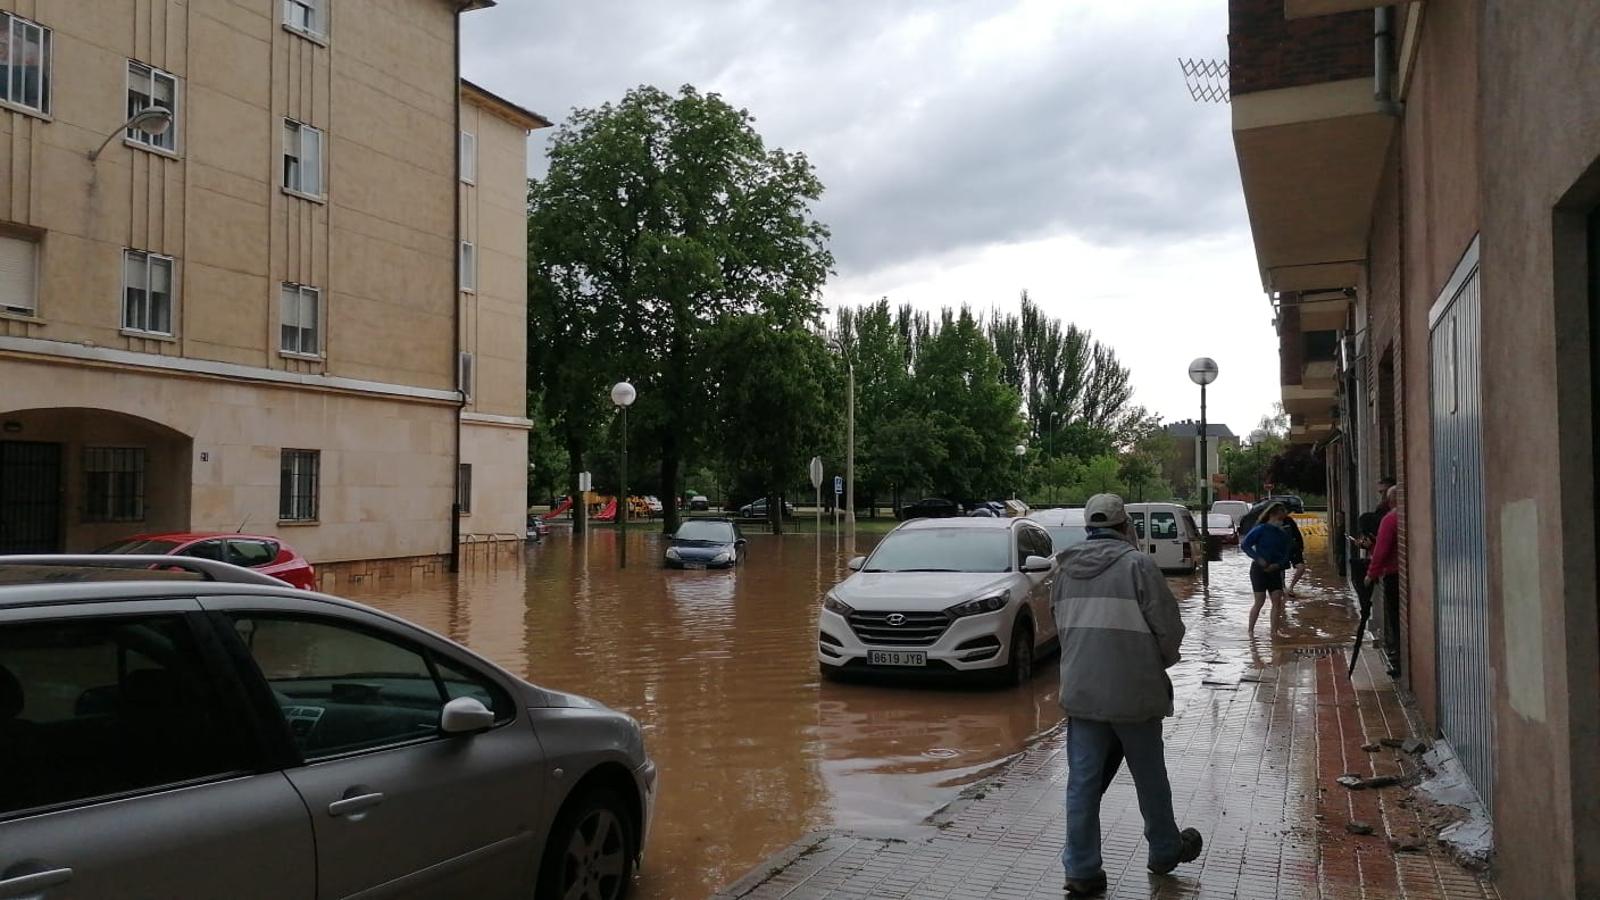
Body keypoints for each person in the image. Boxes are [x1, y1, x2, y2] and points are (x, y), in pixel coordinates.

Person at [1050, 493, 1202, 896]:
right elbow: (1169, 629)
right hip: (1134, 692)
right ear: (1125, 527)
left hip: (1082, 692)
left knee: (1082, 782)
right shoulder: (1139, 564)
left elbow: (1059, 627)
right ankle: (1165, 851)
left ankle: (1081, 870)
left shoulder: (1063, 568)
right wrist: (1157, 662)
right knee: (1149, 776)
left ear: (1088, 527)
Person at [1365, 485, 1402, 677]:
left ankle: (1398, 661)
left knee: (1396, 619)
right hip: (1405, 575)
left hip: (1393, 575)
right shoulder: (1406, 517)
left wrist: (1371, 574)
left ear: (1389, 501)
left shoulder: (1389, 520)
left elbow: (1380, 551)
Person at [1241, 502, 1292, 636]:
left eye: (1283, 519)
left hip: (1275, 570)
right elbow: (1245, 545)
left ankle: (1274, 631)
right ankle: (1250, 631)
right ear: (1272, 516)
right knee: (1260, 600)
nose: (1282, 522)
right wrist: (1258, 558)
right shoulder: (1260, 529)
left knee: (1277, 600)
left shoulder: (1283, 534)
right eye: (1280, 519)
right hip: (1259, 569)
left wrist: (1278, 565)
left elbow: (1286, 554)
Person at [1283, 512, 1308, 595]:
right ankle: (1283, 588)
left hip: (1293, 548)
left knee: (1301, 568)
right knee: (1280, 569)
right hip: (1280, 550)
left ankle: (1291, 587)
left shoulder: (1289, 520)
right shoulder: (1271, 522)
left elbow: (1297, 533)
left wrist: (1301, 546)